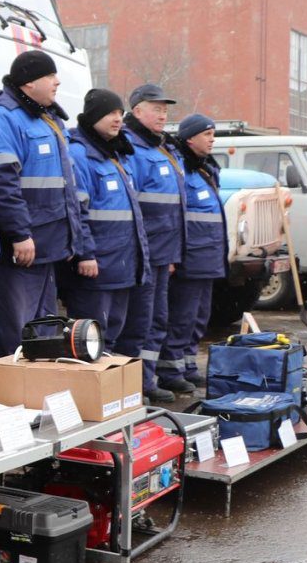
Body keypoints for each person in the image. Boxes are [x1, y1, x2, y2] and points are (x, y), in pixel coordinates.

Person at [0, 50, 85, 356]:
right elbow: (3, 182)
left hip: (47, 246)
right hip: (24, 248)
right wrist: (19, 234)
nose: (56, 83)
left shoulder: (46, 118)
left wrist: (72, 239)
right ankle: (13, 393)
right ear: (29, 82)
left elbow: (65, 189)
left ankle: (37, 387)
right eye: (50, 76)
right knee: (18, 327)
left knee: (43, 326)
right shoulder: (3, 116)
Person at [61, 89, 151, 349]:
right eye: (110, 112)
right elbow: (78, 210)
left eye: (120, 113)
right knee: (89, 338)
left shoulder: (116, 155)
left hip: (121, 266)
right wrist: (86, 254)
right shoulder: (80, 154)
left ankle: (108, 388)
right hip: (96, 267)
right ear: (93, 116)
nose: (117, 119)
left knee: (112, 332)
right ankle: (88, 389)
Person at [116, 83, 186, 403]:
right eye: (156, 108)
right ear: (137, 110)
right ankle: (133, 385)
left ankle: (147, 379)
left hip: (163, 253)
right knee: (138, 322)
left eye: (165, 109)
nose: (163, 114)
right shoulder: (131, 148)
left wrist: (172, 253)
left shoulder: (161, 148)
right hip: (143, 254)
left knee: (157, 320)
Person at [160, 114, 226, 389]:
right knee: (182, 318)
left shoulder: (206, 169)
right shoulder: (181, 169)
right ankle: (170, 373)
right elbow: (175, 216)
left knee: (199, 318)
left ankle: (187, 365)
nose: (212, 139)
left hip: (208, 257)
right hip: (190, 257)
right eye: (206, 134)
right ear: (189, 138)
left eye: (213, 134)